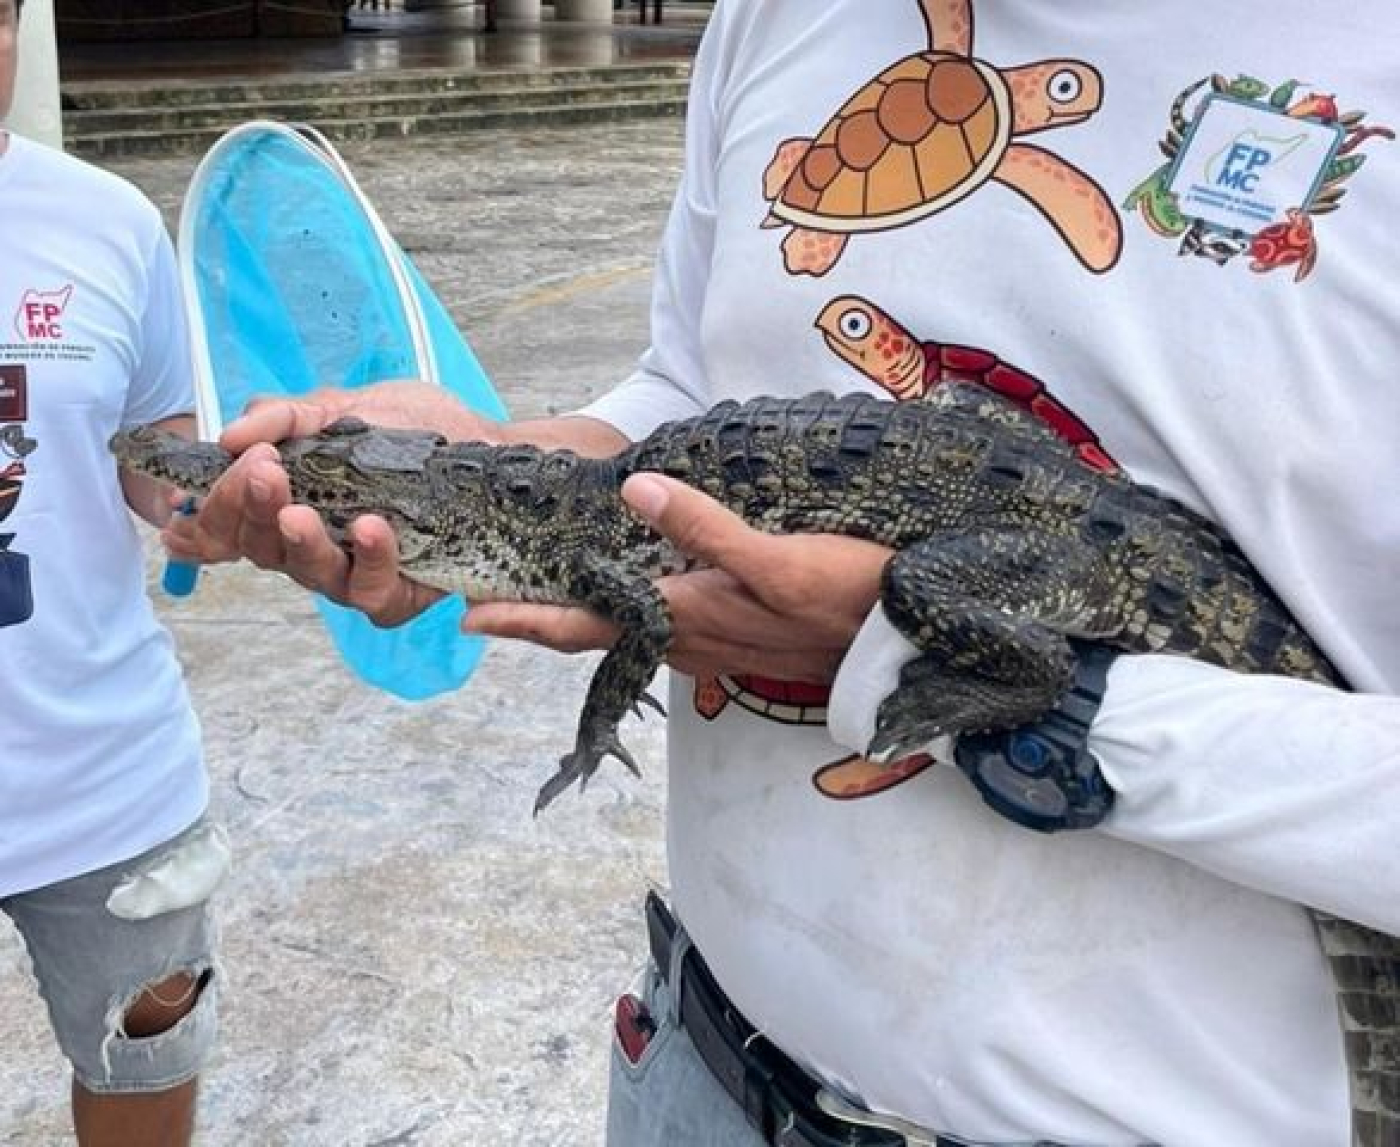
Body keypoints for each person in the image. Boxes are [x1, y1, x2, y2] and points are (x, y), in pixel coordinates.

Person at [167, 0, 1400, 1143]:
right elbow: (684, 386)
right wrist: (505, 455)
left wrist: (1004, 686)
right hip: (697, 1067)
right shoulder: (782, 10)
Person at [0, 2, 227, 1143]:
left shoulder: (105, 221)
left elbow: (156, 448)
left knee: (148, 1054)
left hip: (102, 774)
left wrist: (208, 500)